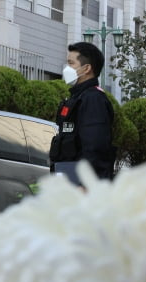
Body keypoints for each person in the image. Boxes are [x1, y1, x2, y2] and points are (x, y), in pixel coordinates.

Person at [49, 42, 116, 180]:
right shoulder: (77, 98)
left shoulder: (93, 100)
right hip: (69, 181)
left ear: (86, 68)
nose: (66, 68)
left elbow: (95, 148)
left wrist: (86, 185)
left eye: (71, 63)